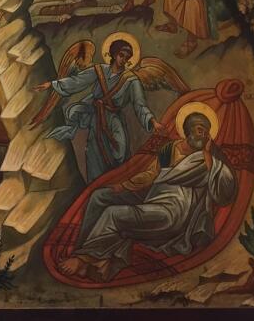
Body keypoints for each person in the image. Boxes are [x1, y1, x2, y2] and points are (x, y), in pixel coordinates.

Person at [60, 109, 237, 281]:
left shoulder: (208, 160)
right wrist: (124, 185)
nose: (205, 135)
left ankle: (84, 259)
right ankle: (84, 252)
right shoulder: (170, 148)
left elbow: (224, 192)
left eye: (207, 131)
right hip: (153, 197)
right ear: (188, 130)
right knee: (100, 196)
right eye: (200, 129)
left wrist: (207, 155)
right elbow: (151, 175)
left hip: (173, 212)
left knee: (113, 213)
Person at [35, 39, 156, 182]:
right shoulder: (99, 70)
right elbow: (77, 81)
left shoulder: (131, 80)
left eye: (127, 57)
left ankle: (116, 184)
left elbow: (139, 104)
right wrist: (52, 84)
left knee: (120, 149)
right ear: (113, 54)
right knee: (94, 152)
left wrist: (153, 122)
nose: (123, 60)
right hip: (95, 117)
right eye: (121, 55)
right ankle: (95, 185)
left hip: (113, 118)